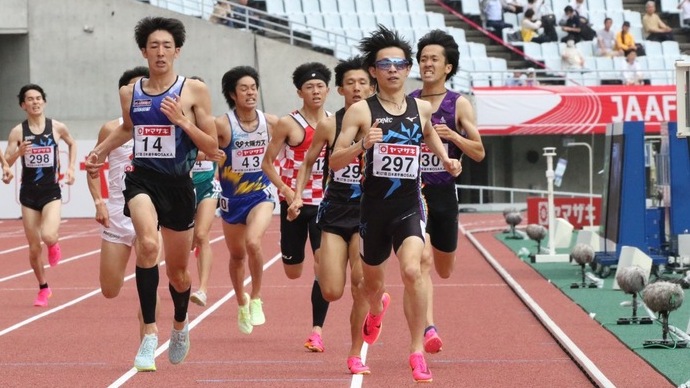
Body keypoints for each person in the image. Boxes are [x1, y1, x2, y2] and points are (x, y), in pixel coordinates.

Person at [85, 16, 221, 372]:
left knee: (179, 274)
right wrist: (101, 149)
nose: (160, 52)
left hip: (178, 186)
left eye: (167, 46)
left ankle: (179, 323)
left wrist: (183, 121)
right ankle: (148, 334)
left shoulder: (193, 91)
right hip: (142, 180)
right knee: (147, 244)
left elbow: (212, 144)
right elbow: (128, 130)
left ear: (177, 51)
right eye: (153, 46)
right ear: (143, 51)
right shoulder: (130, 92)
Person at [330, 25, 461, 383]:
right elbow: (334, 161)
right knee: (370, 287)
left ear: (407, 69)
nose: (392, 69)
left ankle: (417, 350)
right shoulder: (360, 111)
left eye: (399, 63)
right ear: (373, 71)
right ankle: (376, 311)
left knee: (412, 269)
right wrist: (361, 146)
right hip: (373, 210)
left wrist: (448, 162)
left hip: (409, 204)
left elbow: (431, 137)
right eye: (384, 64)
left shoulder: (420, 108)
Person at [287, 56, 374, 374]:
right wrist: (297, 194)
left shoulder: (383, 122)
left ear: (371, 85)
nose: (357, 88)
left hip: (367, 213)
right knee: (331, 290)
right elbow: (308, 162)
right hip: (334, 211)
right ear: (340, 89)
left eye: (363, 82)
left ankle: (355, 352)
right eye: (350, 83)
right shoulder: (329, 124)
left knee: (360, 282)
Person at [410, 29, 484, 356]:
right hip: (413, 192)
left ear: (447, 67)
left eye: (434, 59)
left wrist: (452, 136)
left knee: (443, 268)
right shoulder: (408, 102)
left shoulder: (458, 103)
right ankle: (428, 328)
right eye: (423, 58)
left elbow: (479, 151)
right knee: (422, 261)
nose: (427, 64)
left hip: (443, 194)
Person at [87, 66, 164, 339]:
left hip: (151, 215)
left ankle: (147, 337)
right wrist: (98, 201)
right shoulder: (110, 128)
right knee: (110, 290)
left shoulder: (162, 124)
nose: (140, 95)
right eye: (133, 90)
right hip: (118, 218)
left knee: (149, 284)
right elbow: (92, 165)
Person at [260, 62, 332, 352]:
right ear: (299, 92)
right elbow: (267, 163)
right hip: (293, 203)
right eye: (309, 87)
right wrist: (288, 192)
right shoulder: (288, 124)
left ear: (328, 90)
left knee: (323, 267)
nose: (315, 92)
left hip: (324, 204)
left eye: (320, 86)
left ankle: (316, 331)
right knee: (292, 270)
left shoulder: (335, 120)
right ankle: (292, 257)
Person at [216, 66, 278, 334]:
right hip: (232, 199)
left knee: (253, 242)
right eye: (244, 88)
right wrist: (211, 155)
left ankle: (256, 297)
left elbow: (295, 142)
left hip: (260, 194)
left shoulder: (271, 122)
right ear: (233, 94)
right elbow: (199, 149)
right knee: (237, 255)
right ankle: (241, 300)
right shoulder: (223, 124)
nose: (251, 92)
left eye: (253, 87)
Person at [4, 84, 77, 307]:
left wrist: (71, 168)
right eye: (30, 99)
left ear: (43, 102)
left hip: (51, 191)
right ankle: (44, 288)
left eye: (38, 98)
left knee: (48, 235)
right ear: (22, 105)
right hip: (28, 193)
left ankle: (54, 245)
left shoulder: (56, 127)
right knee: (34, 246)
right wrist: (18, 153)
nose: (35, 102)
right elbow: (6, 163)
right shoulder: (18, 131)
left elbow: (71, 143)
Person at [187, 76, 221, 309]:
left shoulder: (213, 125)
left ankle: (203, 289)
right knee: (186, 240)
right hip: (182, 187)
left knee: (202, 235)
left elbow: (218, 152)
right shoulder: (179, 125)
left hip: (207, 186)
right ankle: (181, 282)